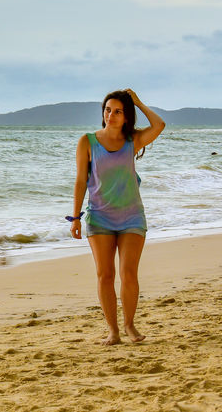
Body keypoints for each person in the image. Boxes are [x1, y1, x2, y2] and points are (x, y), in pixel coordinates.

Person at [69, 89, 165, 345]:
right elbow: (80, 181)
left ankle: (130, 325)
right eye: (107, 110)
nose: (110, 115)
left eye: (118, 111)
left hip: (132, 217)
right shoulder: (87, 141)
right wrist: (75, 216)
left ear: (126, 117)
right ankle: (113, 330)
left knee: (129, 273)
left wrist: (139, 102)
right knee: (105, 275)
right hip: (99, 217)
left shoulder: (132, 141)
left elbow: (159, 125)